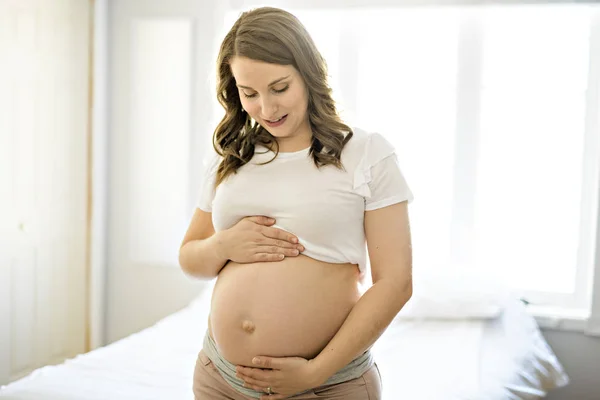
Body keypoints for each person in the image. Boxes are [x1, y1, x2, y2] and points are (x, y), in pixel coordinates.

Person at [179, 6, 414, 400]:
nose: (267, 109)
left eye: (280, 88)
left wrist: (314, 372)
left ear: (308, 73)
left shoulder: (366, 153)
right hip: (220, 377)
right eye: (249, 93)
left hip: (324, 384)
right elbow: (190, 258)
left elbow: (396, 284)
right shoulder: (230, 157)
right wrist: (223, 245)